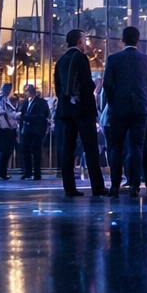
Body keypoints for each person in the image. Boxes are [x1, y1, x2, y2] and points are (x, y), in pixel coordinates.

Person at [102, 26, 147, 197]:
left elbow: (107, 85)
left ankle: (114, 186)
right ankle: (135, 185)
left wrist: (113, 102)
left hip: (119, 109)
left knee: (116, 147)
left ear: (122, 40)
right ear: (138, 40)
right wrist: (144, 99)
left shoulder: (113, 59)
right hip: (140, 109)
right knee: (137, 147)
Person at [54, 29, 107, 196]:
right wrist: (94, 86)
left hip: (66, 112)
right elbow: (86, 84)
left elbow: (58, 87)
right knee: (90, 148)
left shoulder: (61, 61)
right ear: (79, 42)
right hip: (83, 111)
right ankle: (97, 187)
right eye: (84, 40)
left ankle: (69, 187)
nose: (85, 43)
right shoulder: (81, 58)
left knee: (67, 150)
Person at [18, 83, 50, 180]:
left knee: (36, 152)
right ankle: (28, 172)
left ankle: (37, 173)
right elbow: (22, 113)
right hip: (26, 131)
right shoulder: (25, 102)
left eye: (27, 91)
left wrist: (26, 117)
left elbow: (42, 116)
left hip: (37, 131)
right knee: (25, 150)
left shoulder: (41, 102)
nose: (25, 93)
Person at [0, 83, 20, 179]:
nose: (9, 91)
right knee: (5, 151)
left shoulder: (6, 100)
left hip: (10, 128)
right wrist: (14, 116)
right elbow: (4, 113)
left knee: (8, 151)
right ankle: (1, 173)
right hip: (5, 128)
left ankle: (3, 172)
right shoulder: (0, 99)